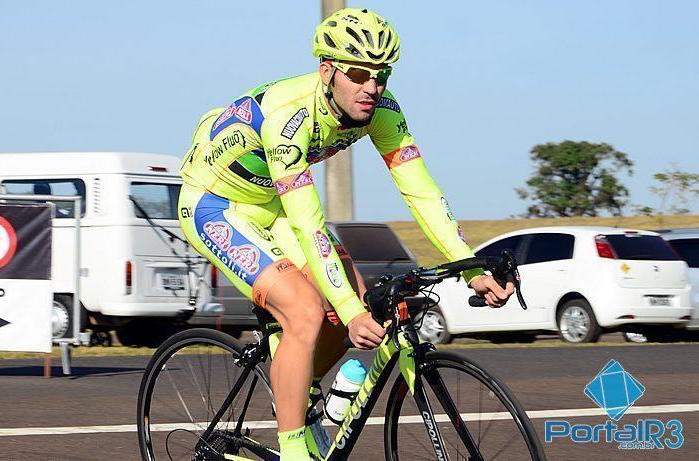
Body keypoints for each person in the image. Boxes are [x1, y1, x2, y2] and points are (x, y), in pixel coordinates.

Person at [178, 8, 514, 460]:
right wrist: (349, 310)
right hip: (215, 203)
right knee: (306, 310)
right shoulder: (288, 117)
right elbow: (308, 222)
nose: (371, 87)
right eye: (359, 73)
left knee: (350, 298)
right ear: (327, 71)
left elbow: (422, 194)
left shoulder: (383, 112)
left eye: (382, 75)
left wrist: (471, 268)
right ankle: (295, 448)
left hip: (270, 204)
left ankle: (299, 390)